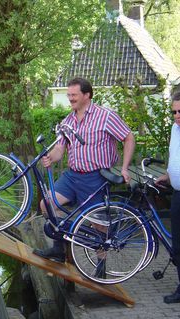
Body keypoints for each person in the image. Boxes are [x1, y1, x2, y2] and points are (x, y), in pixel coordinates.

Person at [33, 77, 135, 267]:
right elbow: (59, 150)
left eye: (74, 95)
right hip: (72, 176)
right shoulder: (68, 120)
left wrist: (124, 168)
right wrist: (50, 158)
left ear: (87, 95)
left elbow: (128, 138)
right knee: (47, 205)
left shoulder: (105, 116)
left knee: (97, 224)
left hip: (95, 177)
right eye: (68, 95)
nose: (70, 98)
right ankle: (59, 248)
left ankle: (101, 265)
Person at [155, 91, 180, 304]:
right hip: (178, 193)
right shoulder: (175, 128)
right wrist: (168, 175)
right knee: (178, 244)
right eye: (174, 111)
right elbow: (175, 157)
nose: (177, 115)